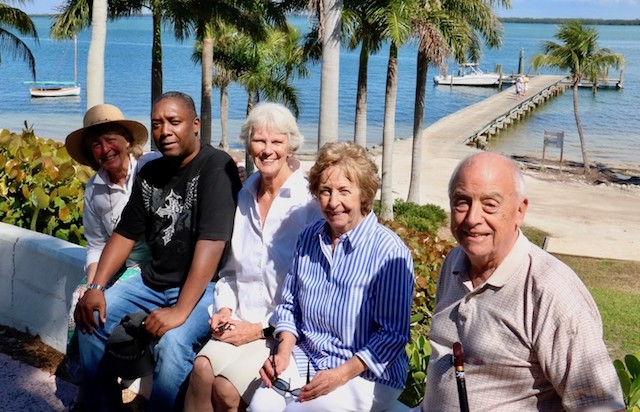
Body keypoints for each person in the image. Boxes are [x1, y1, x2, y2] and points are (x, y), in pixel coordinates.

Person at [74, 91, 242, 412]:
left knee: (173, 344)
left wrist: (180, 311)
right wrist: (96, 287)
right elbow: (125, 233)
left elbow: (212, 243)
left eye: (174, 122)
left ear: (195, 125)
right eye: (157, 124)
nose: (165, 131)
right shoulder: (150, 172)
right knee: (90, 320)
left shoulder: (216, 166)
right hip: (152, 281)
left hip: (206, 287)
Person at [421, 152, 625, 411]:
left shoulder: (551, 290)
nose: (472, 218)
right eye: (462, 202)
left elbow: (600, 405)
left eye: (490, 204)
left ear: (520, 210)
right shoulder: (454, 262)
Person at [249, 142, 415, 412]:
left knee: (297, 411)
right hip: (308, 358)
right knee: (260, 405)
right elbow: (290, 306)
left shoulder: (389, 251)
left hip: (366, 373)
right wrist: (282, 354)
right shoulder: (309, 237)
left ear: (364, 194)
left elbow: (392, 335)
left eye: (344, 191)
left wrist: (338, 376)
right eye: (325, 191)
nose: (333, 202)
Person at [183, 102, 322, 412]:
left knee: (226, 389)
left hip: (281, 332)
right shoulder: (244, 196)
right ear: (248, 144)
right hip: (239, 320)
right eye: (259, 140)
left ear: (290, 145)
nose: (267, 150)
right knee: (201, 370)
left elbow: (311, 290)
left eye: (277, 141)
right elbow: (231, 272)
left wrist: (259, 329)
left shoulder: (307, 204)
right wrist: (224, 309)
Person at [64, 103, 160, 407]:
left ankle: (93, 393)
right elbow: (96, 244)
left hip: (151, 264)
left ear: (127, 141)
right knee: (80, 302)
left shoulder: (150, 168)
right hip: (116, 263)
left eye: (111, 139)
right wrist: (92, 285)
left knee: (101, 311)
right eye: (96, 144)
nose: (105, 149)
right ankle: (89, 384)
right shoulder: (94, 189)